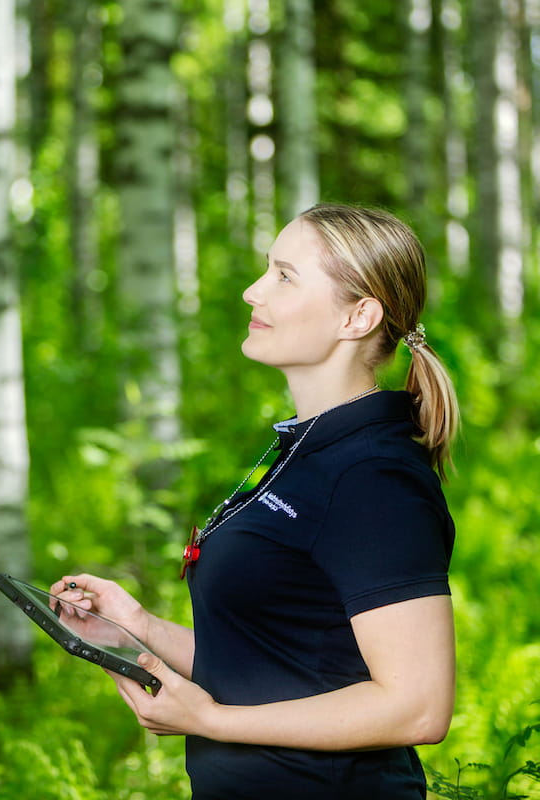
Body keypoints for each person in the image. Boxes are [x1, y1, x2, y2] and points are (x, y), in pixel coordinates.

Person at [52, 203, 459, 799]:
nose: (252, 291)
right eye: (267, 269)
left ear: (359, 316)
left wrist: (214, 722)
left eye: (285, 276)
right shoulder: (303, 450)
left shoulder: (375, 478)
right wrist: (137, 627)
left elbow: (418, 708)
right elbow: (274, 662)